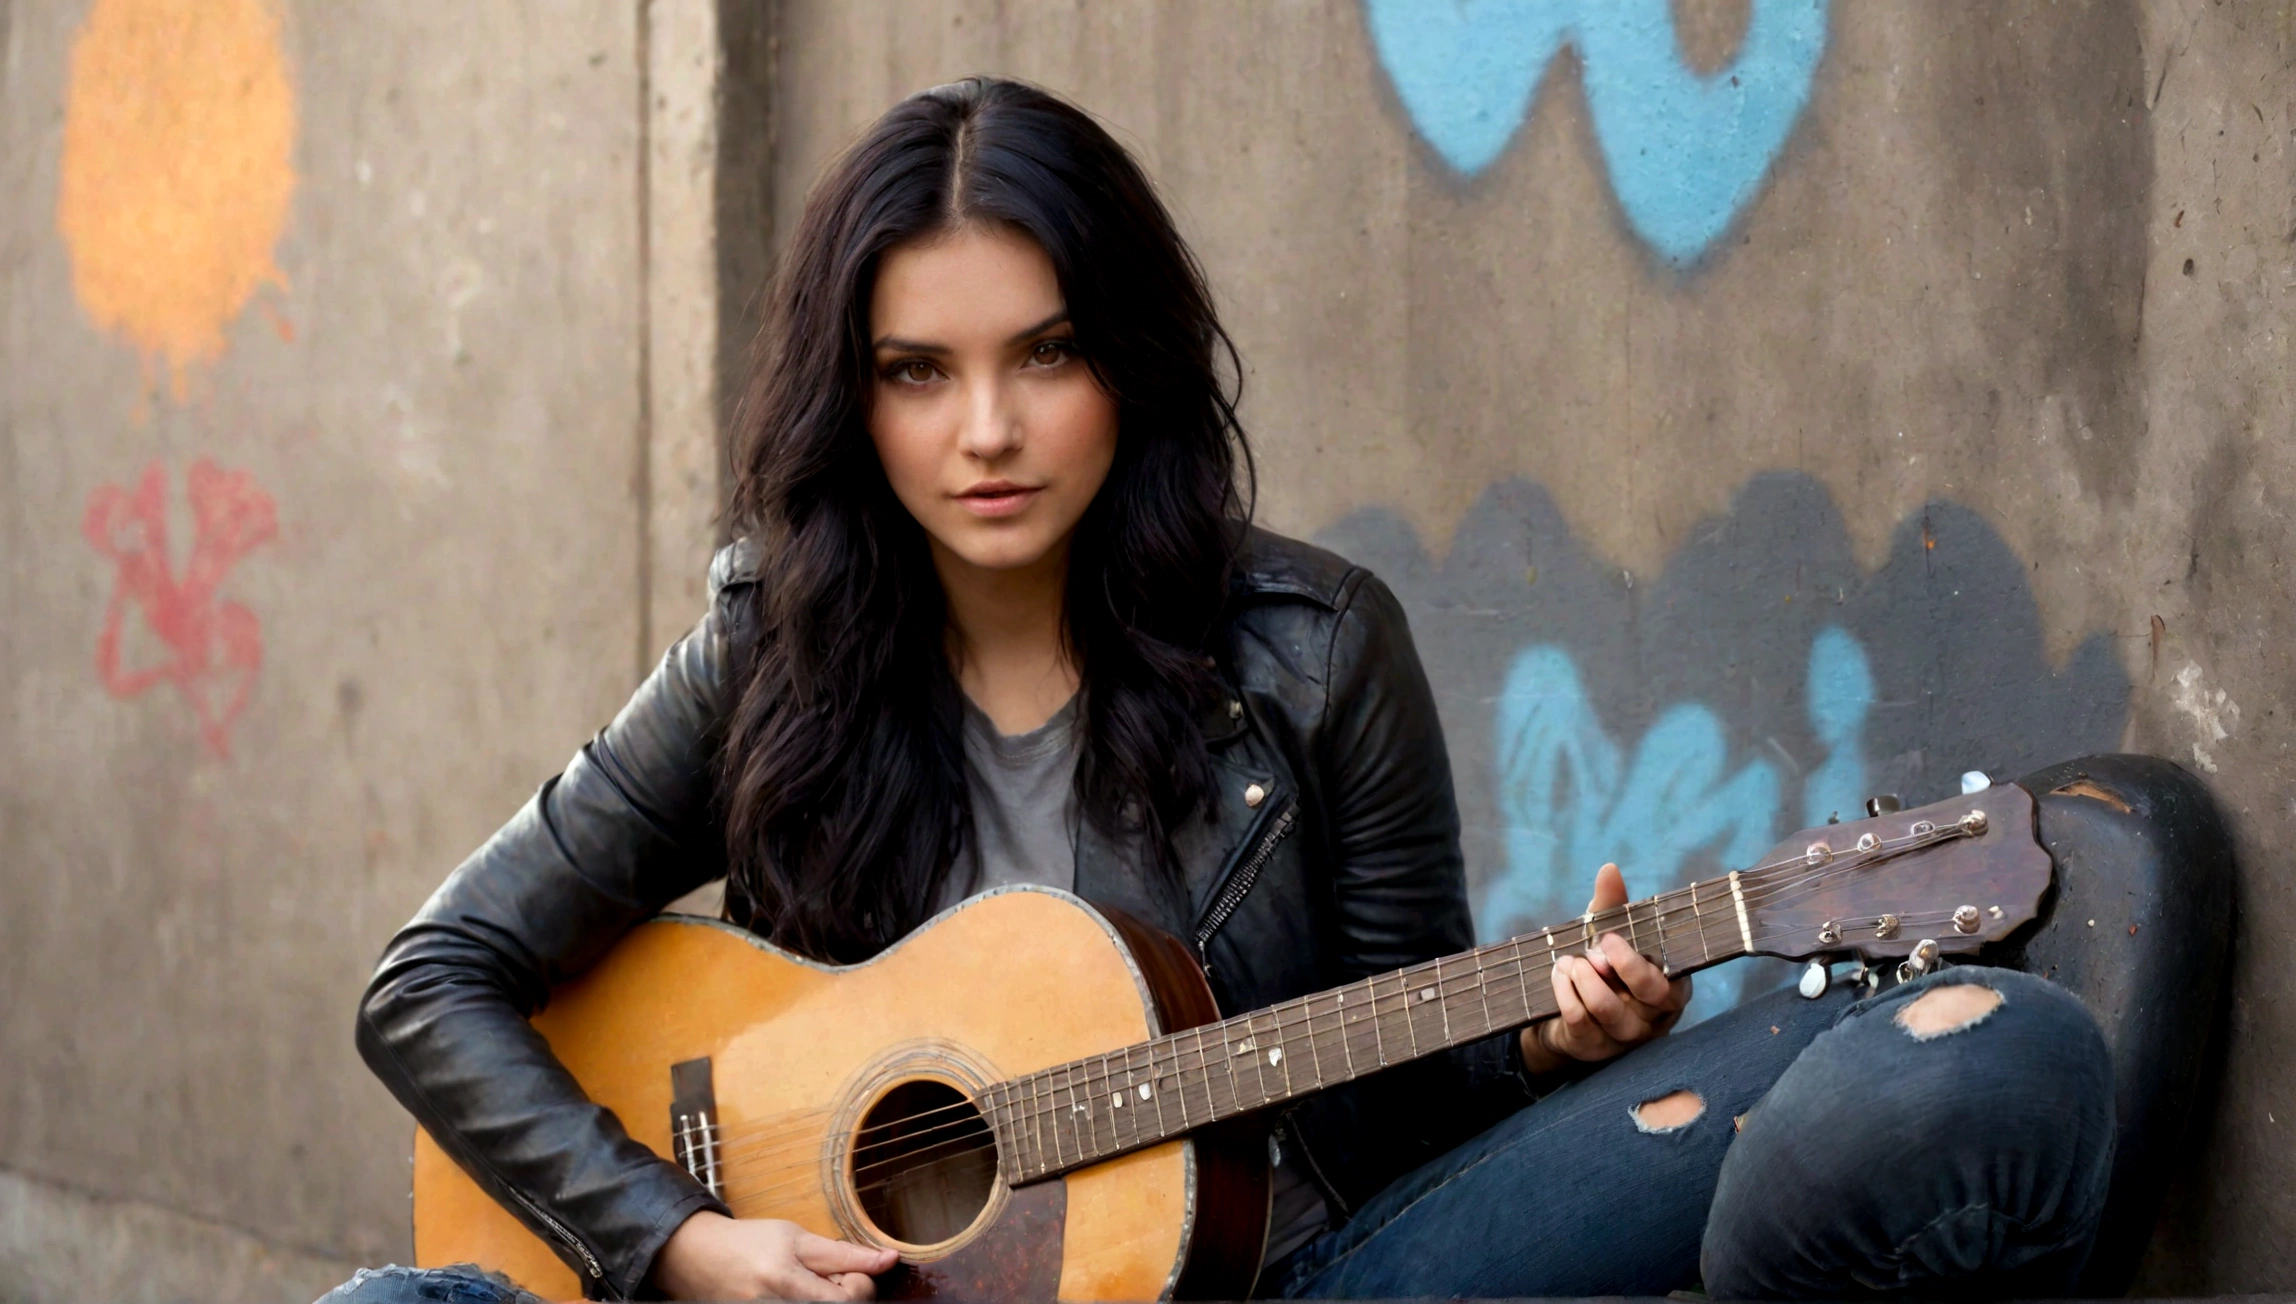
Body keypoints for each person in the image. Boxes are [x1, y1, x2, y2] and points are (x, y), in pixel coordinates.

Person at [324, 78, 2115, 1304]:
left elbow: (1395, 1103)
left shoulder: (1318, 653)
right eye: (917, 371)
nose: (989, 430)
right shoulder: (765, 654)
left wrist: (1546, 1040)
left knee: (1873, 1083)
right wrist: (676, 1244)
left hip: (1282, 1272)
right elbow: (431, 984)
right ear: (850, 402)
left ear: (1131, 359)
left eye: (1046, 352)